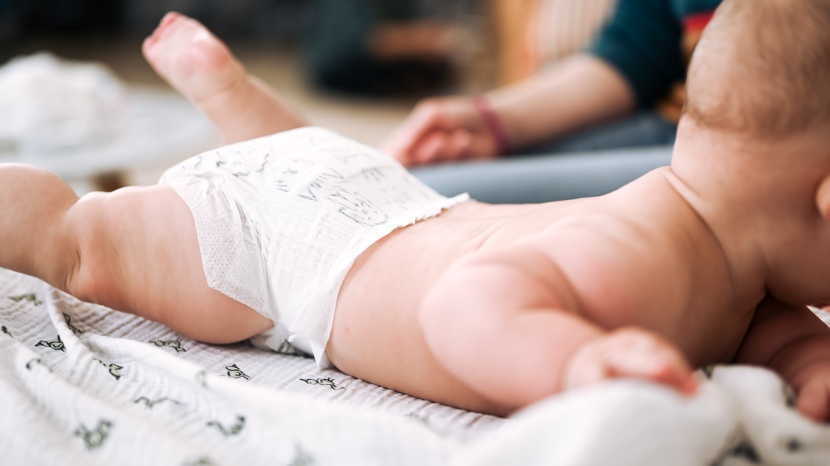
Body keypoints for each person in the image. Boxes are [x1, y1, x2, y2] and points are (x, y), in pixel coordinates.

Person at [4, 1, 830, 422]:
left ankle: (235, 101)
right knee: (82, 246)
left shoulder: (752, 290)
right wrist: (575, 363)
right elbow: (465, 304)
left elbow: (788, 343)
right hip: (283, 251)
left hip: (371, 192)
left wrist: (812, 374)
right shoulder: (637, 246)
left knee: (318, 163)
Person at [382, 0, 721, 203]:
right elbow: (638, 52)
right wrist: (491, 121)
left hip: (735, 150)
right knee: (398, 183)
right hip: (669, 122)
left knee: (422, 199)